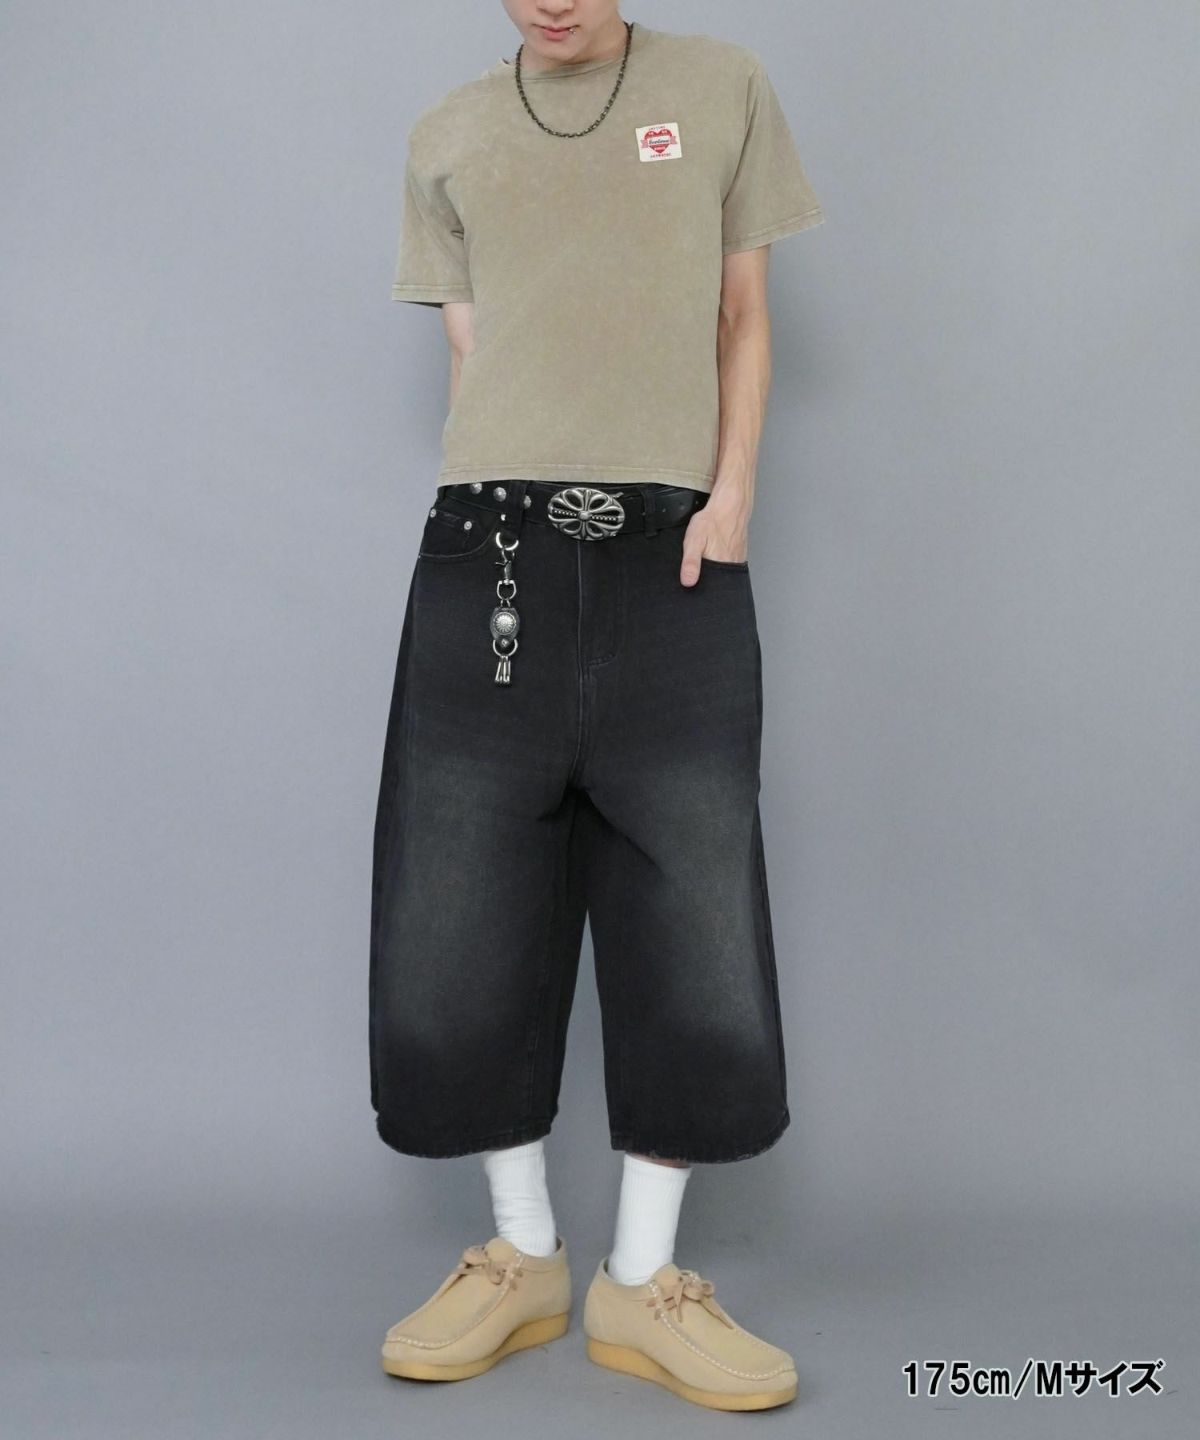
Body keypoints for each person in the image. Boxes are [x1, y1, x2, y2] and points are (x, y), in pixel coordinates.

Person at [369, 1, 825, 1411]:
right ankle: (521, 1255)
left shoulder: (723, 86)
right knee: (457, 908)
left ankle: (643, 1279)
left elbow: (742, 313)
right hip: (491, 548)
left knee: (693, 907)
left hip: (674, 551)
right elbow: (477, 354)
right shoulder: (447, 131)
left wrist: (731, 496)